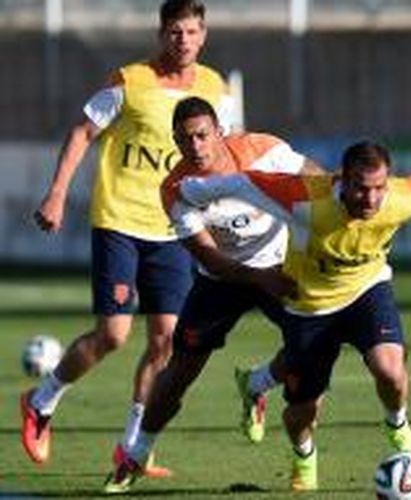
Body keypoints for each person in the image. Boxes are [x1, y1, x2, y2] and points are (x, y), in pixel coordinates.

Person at [161, 139, 411, 491]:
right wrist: (193, 189)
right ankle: (303, 453)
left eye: (379, 188)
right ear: (342, 180)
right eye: (361, 189)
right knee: (303, 411)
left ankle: (397, 426)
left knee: (390, 370)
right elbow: (244, 182)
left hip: (367, 291)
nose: (372, 199)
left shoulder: (399, 198)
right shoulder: (304, 198)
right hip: (310, 308)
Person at [22, 0, 237, 476]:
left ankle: (134, 446)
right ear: (162, 34)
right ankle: (41, 401)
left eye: (192, 32)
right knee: (114, 335)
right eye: (175, 32)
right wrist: (57, 194)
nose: (183, 40)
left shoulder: (215, 88)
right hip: (119, 219)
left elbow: (222, 151)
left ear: (203, 36)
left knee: (165, 341)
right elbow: (82, 133)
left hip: (173, 226)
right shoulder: (130, 80)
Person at [102, 96, 325, 493]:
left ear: (220, 131)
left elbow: (318, 181)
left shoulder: (263, 150)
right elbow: (209, 255)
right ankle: (135, 456)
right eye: (185, 140)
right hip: (220, 280)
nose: (196, 147)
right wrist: (260, 278)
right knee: (179, 372)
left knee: (312, 355)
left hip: (281, 265)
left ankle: (294, 442)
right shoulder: (176, 188)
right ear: (174, 140)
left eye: (203, 135)